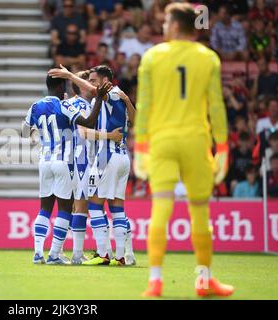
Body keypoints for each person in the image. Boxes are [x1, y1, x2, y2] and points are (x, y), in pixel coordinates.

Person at [134, 3, 234, 297]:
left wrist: (140, 146)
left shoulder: (152, 57)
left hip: (162, 142)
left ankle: (155, 280)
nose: (163, 26)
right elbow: (216, 106)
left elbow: (145, 106)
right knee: (200, 212)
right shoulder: (208, 58)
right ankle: (204, 280)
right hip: (196, 141)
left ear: (175, 25)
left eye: (165, 21)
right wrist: (223, 145)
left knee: (160, 208)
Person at [23, 74, 110, 264]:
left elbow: (25, 132)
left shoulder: (35, 106)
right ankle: (54, 254)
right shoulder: (65, 105)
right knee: (64, 209)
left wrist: (43, 138)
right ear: (62, 86)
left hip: (44, 161)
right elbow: (87, 123)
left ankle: (38, 252)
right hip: (64, 161)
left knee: (44, 209)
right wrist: (98, 102)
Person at [67, 70, 124, 264]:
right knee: (87, 205)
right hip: (85, 159)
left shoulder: (91, 102)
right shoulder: (81, 104)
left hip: (95, 158)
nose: (91, 84)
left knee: (90, 205)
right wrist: (110, 136)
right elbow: (83, 132)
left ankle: (106, 253)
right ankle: (81, 253)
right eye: (87, 80)